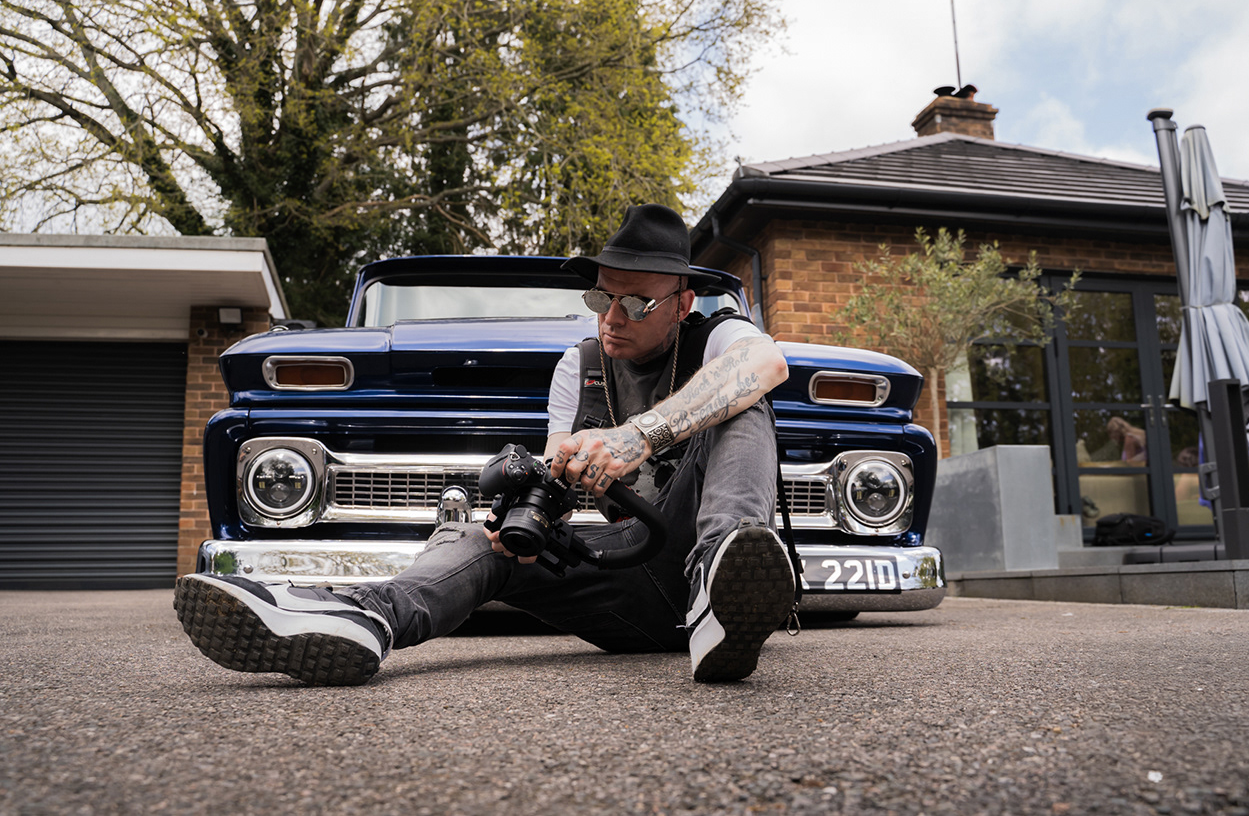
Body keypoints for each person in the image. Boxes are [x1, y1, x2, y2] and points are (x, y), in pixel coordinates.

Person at [174, 203, 797, 686]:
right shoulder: (576, 367)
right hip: (629, 578)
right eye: (602, 297)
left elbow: (765, 364)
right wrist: (535, 514)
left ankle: (723, 589)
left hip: (704, 565)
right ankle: (360, 618)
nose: (611, 318)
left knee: (741, 400)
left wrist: (639, 435)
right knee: (477, 541)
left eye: (635, 302)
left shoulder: (719, 335)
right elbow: (557, 478)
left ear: (681, 303)